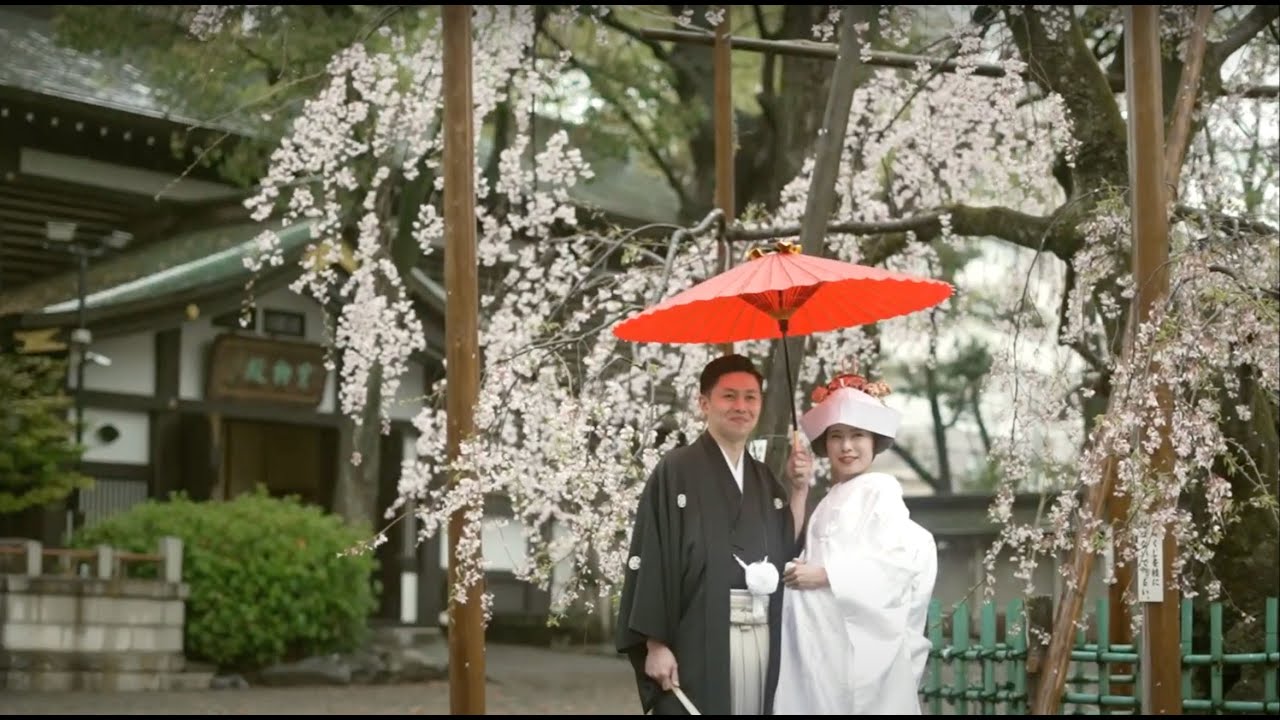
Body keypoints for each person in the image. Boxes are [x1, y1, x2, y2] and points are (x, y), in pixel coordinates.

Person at [614, 353, 811, 715]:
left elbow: (787, 549)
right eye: (729, 396)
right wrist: (655, 644)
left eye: (750, 397)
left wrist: (798, 489)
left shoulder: (764, 479)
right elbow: (653, 553)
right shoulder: (675, 470)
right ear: (704, 403)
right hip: (696, 635)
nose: (741, 406)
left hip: (762, 633)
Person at [772, 371, 938, 715]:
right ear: (825, 445)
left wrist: (826, 575)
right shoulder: (830, 499)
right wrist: (800, 489)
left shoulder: (881, 490)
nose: (847, 447)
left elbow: (893, 563)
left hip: (854, 641)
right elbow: (798, 549)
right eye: (837, 436)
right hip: (819, 639)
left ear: (874, 440)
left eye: (857, 435)